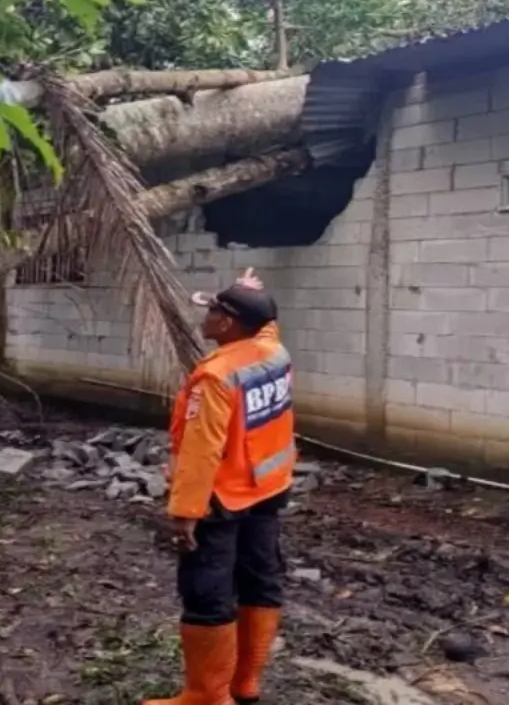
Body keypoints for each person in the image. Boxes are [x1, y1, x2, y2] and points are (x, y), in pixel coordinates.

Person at [145, 271, 295, 705]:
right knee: (260, 580)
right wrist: (248, 290)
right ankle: (244, 684)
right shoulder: (273, 352)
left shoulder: (216, 376)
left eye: (212, 310)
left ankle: (207, 696)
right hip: (268, 487)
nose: (205, 317)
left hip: (221, 497)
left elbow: (200, 450)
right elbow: (265, 321)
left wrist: (185, 512)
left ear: (228, 324)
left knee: (207, 590)